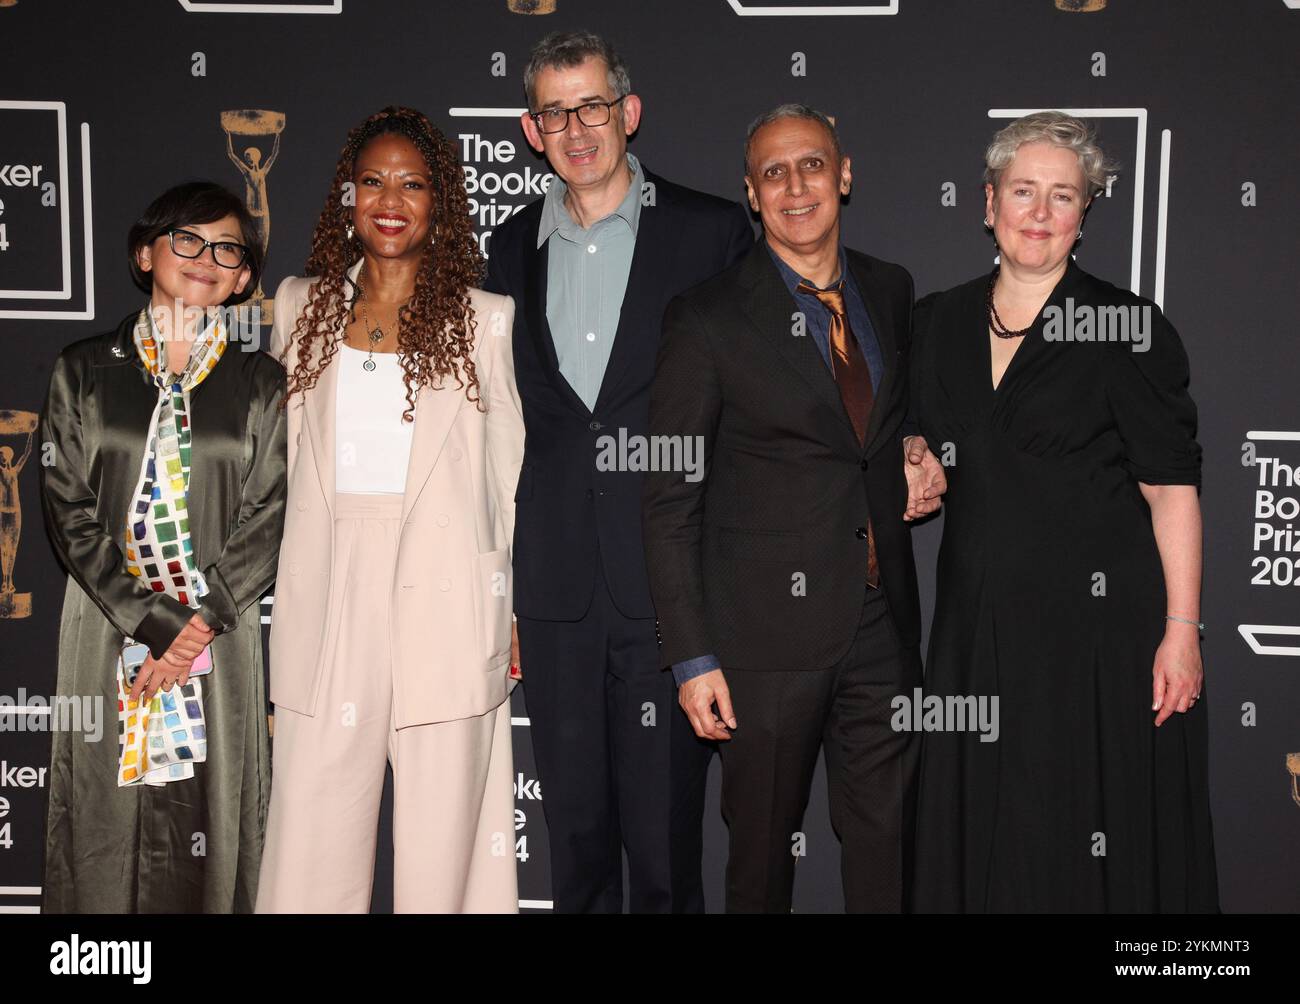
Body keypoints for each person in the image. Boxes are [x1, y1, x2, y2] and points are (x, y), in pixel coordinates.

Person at [910, 111, 1219, 912]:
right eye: (1023, 191)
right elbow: (920, 441)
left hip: (1096, 640)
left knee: (1080, 832)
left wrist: (1182, 633)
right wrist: (914, 461)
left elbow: (1171, 489)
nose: (1040, 212)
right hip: (975, 632)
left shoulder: (1126, 328)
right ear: (988, 204)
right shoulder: (935, 322)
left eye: (1062, 196)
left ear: (1084, 216)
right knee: (984, 837)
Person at [642, 104, 947, 913]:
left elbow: (877, 422)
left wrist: (914, 444)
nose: (795, 185)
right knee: (761, 865)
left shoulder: (889, 288)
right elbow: (669, 499)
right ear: (751, 195)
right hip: (761, 644)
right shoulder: (705, 317)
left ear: (844, 175)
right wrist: (693, 657)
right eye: (773, 173)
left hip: (884, 627)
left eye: (811, 164)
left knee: (890, 854)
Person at [484, 31, 754, 913]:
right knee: (577, 840)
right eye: (556, 112)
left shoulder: (713, 231)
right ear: (532, 130)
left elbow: (762, 397)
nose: (578, 128)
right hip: (556, 592)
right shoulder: (506, 248)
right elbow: (499, 426)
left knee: (668, 846)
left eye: (593, 106)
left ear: (628, 114)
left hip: (670, 589)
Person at [255, 106, 523, 913]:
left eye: (413, 182)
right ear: (348, 195)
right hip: (329, 590)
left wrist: (507, 600)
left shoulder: (487, 321)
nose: (391, 198)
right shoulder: (299, 307)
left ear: (440, 201)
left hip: (447, 591)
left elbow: (509, 475)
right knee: (311, 827)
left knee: (452, 839)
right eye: (373, 180)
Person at [39, 181, 285, 912]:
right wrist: (152, 622)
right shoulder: (84, 370)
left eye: (227, 248)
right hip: (106, 625)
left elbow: (269, 512)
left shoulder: (260, 381)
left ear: (243, 277)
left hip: (218, 632)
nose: (205, 258)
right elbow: (68, 510)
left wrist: (196, 623)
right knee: (100, 813)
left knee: (213, 816)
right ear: (146, 253)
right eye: (187, 239)